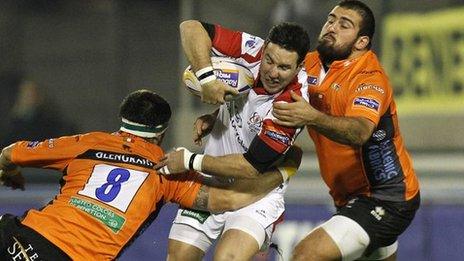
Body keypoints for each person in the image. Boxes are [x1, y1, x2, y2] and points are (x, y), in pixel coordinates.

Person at [0, 89, 300, 260]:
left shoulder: (89, 142)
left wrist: (10, 171)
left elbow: (10, 152)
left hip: (19, 234)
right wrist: (284, 170)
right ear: (162, 133)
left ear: (123, 119)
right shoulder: (165, 169)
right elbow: (233, 199)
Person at [271, 1, 420, 260]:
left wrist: (313, 116)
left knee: (306, 254)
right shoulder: (308, 64)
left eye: (344, 25)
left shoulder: (370, 78)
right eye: (331, 19)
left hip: (386, 197)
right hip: (347, 197)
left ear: (361, 42)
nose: (332, 27)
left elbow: (360, 131)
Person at [156, 21, 310, 261]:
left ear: (299, 66)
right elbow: (190, 27)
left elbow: (250, 167)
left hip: (254, 191)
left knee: (227, 258)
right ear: (265, 47)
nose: (272, 72)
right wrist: (208, 82)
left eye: (283, 67)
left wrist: (189, 160)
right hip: (210, 180)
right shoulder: (251, 49)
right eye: (269, 60)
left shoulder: (291, 106)